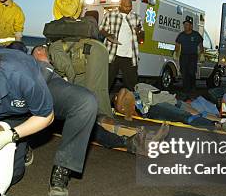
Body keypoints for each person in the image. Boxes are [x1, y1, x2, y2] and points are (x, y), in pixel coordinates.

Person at [0, 36, 97, 196]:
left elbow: (46, 116)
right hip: (5, 113)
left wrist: (10, 136)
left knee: (85, 103)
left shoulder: (20, 73)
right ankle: (23, 146)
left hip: (39, 89)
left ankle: (63, 168)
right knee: (12, 174)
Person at [31, 45, 169, 156]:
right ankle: (137, 142)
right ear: (37, 52)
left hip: (66, 108)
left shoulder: (52, 68)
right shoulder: (36, 69)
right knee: (93, 127)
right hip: (52, 112)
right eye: (44, 49)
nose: (48, 50)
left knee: (102, 119)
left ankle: (145, 137)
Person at [48, 0, 112, 117]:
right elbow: (70, 12)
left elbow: (76, 18)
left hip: (73, 39)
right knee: (67, 68)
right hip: (61, 39)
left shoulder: (77, 0)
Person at [114, 86, 226, 133]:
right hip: (155, 107)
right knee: (185, 116)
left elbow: (124, 92)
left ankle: (224, 120)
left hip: (169, 99)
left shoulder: (135, 90)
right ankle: (218, 125)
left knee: (197, 112)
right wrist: (124, 110)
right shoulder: (129, 101)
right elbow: (123, 96)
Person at [99, 0, 144, 91]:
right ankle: (103, 104)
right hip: (112, 54)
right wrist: (108, 35)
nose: (129, 8)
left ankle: (132, 104)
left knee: (132, 85)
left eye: (130, 6)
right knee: (106, 83)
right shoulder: (109, 15)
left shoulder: (136, 18)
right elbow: (101, 29)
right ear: (120, 5)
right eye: (126, 6)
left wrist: (139, 32)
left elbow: (142, 39)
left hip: (129, 56)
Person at [175, 19, 204, 93]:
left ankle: (192, 87)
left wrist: (202, 54)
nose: (185, 26)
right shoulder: (181, 35)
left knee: (191, 72)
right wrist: (176, 52)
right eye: (184, 25)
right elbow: (178, 44)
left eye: (187, 25)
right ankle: (185, 89)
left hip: (192, 56)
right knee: (184, 72)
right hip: (184, 56)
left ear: (191, 26)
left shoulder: (196, 34)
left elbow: (200, 44)